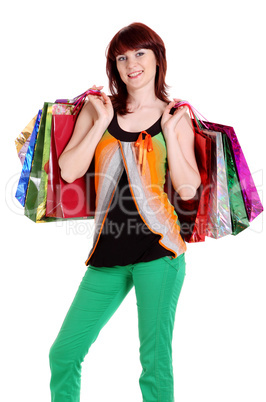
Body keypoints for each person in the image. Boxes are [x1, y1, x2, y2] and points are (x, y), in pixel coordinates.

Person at [49, 22, 201, 402]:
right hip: (109, 253)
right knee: (64, 354)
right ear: (114, 66)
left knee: (154, 361)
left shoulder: (175, 116)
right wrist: (100, 122)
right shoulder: (98, 109)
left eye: (139, 53)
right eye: (121, 57)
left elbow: (186, 188)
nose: (130, 63)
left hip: (160, 252)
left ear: (157, 59)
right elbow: (69, 170)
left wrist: (171, 130)